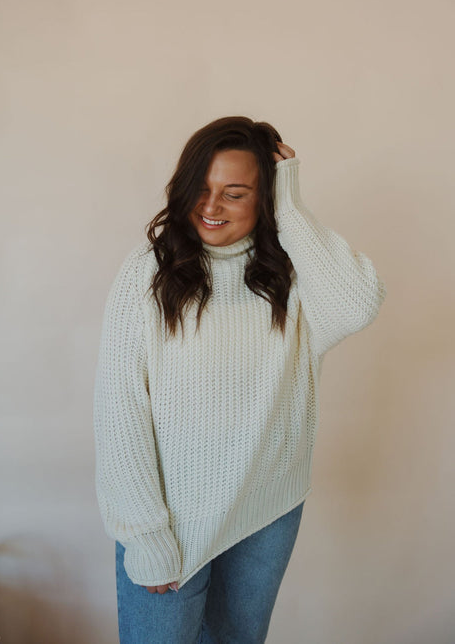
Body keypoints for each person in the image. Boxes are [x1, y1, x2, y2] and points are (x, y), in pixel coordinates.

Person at [93, 116, 387, 643]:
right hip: (171, 520)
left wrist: (291, 202)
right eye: (201, 189)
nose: (210, 207)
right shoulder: (148, 273)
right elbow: (120, 411)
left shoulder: (289, 279)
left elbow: (358, 303)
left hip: (265, 510)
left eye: (235, 193)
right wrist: (145, 534)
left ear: (266, 198)